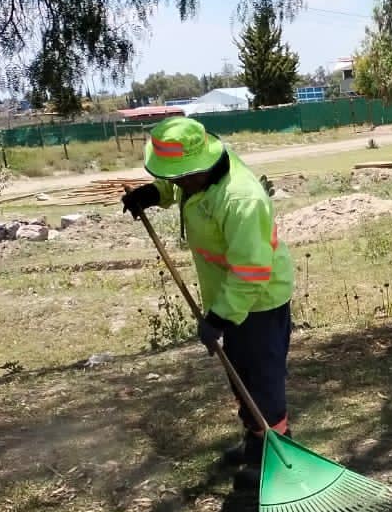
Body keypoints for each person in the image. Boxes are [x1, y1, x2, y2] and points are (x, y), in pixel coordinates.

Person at [121, 116, 294, 488]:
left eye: (180, 177)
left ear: (200, 165)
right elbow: (179, 186)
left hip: (258, 299)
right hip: (229, 294)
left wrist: (218, 317)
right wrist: (153, 194)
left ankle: (276, 458)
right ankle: (254, 443)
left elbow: (251, 271)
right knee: (240, 375)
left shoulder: (241, 199)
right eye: (173, 177)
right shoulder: (200, 172)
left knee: (262, 381)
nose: (177, 183)